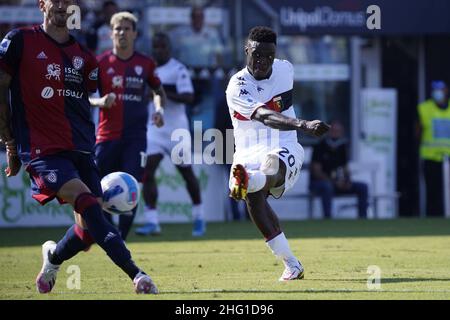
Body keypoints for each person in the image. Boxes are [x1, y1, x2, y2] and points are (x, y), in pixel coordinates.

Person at [0, 0, 157, 294]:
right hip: (42, 150)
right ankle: (137, 274)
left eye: (68, 2)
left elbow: (84, 102)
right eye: (55, 0)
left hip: (82, 149)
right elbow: (2, 86)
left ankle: (53, 258)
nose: (62, 6)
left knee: (87, 232)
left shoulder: (84, 56)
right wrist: (9, 140)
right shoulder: (19, 41)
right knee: (87, 203)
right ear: (41, 5)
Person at [226, 26, 329, 281]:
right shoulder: (237, 86)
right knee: (253, 200)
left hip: (283, 144)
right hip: (248, 150)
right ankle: (292, 264)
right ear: (246, 50)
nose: (263, 61)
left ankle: (249, 181)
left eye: (269, 56)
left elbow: (278, 116)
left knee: (267, 169)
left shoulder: (285, 69)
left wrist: (296, 129)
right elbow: (265, 116)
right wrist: (304, 124)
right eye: (257, 55)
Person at [92, 12, 166, 240]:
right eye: (117, 29)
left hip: (136, 138)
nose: (121, 33)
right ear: (111, 33)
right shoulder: (100, 62)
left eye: (126, 29)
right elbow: (85, 96)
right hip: (106, 137)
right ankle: (109, 234)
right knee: (100, 189)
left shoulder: (145, 63)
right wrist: (100, 101)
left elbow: (157, 91)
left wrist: (159, 109)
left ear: (134, 33)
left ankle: (120, 239)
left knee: (131, 187)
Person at [135, 32, 205, 237]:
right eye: (156, 46)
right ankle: (152, 221)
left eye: (163, 46)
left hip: (177, 130)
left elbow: (189, 96)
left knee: (186, 173)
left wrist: (161, 92)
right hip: (155, 129)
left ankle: (199, 217)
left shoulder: (178, 69)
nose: (159, 50)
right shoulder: (147, 68)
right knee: (147, 171)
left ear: (169, 48)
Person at [309, 120, 369, 219]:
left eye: (338, 131)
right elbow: (316, 172)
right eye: (333, 130)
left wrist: (347, 181)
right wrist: (334, 182)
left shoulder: (342, 147)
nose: (336, 133)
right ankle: (328, 219)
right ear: (328, 131)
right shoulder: (319, 146)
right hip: (320, 184)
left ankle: (363, 219)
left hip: (337, 183)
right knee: (327, 187)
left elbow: (345, 168)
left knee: (363, 187)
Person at [417, 80, 450, 217]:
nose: (438, 93)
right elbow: (417, 132)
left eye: (441, 90)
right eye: (435, 90)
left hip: (448, 158)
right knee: (433, 192)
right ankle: (433, 218)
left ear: (446, 91)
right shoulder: (424, 108)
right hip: (431, 157)